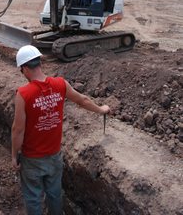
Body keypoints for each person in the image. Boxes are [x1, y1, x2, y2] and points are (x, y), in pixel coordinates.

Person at [11, 45, 111, 215]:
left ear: (25, 68)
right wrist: (101, 109)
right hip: (54, 156)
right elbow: (82, 100)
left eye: (22, 71)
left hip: (32, 159)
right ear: (39, 63)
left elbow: (17, 130)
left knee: (33, 197)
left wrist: (14, 155)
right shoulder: (60, 84)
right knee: (54, 194)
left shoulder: (23, 94)